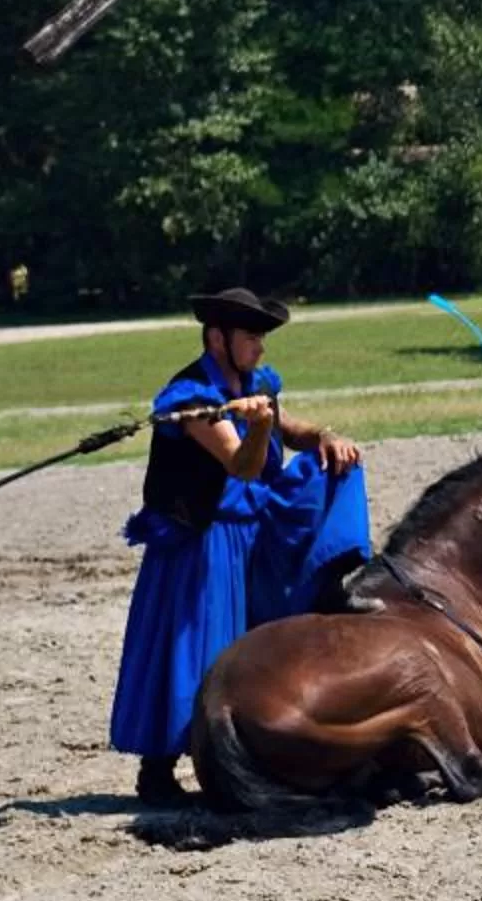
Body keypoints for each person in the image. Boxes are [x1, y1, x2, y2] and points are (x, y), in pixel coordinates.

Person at [112, 288, 372, 805]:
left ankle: (332, 578)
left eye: (260, 337)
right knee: (195, 650)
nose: (260, 347)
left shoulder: (253, 384)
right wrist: (258, 427)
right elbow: (243, 464)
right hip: (201, 542)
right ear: (217, 338)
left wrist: (324, 435)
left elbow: (290, 427)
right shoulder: (188, 398)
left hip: (248, 529)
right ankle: (158, 770)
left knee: (335, 472)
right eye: (251, 337)